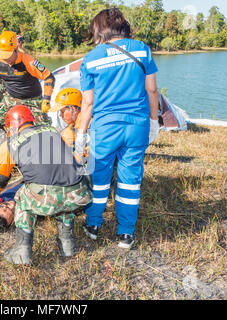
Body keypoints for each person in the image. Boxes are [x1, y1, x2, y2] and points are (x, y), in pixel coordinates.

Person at [77, 8, 160, 249]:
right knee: (130, 179)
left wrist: (81, 133)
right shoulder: (142, 49)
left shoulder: (91, 59)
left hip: (105, 129)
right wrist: (154, 121)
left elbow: (88, 103)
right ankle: (125, 233)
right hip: (137, 126)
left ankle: (93, 224)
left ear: (99, 30)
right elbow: (152, 90)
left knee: (100, 178)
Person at [0, 105, 92, 265]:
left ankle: (21, 253)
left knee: (20, 197)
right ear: (31, 120)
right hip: (80, 192)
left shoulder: (9, 143)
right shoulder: (53, 131)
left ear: (11, 126)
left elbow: (2, 177)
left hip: (49, 199)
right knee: (63, 197)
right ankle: (67, 245)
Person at [0, 31, 55, 130]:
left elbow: (49, 77)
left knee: (43, 128)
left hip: (33, 99)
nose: (6, 60)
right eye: (3, 56)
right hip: (12, 98)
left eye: (8, 56)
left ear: (16, 50)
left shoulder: (28, 60)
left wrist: (46, 99)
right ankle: (6, 144)